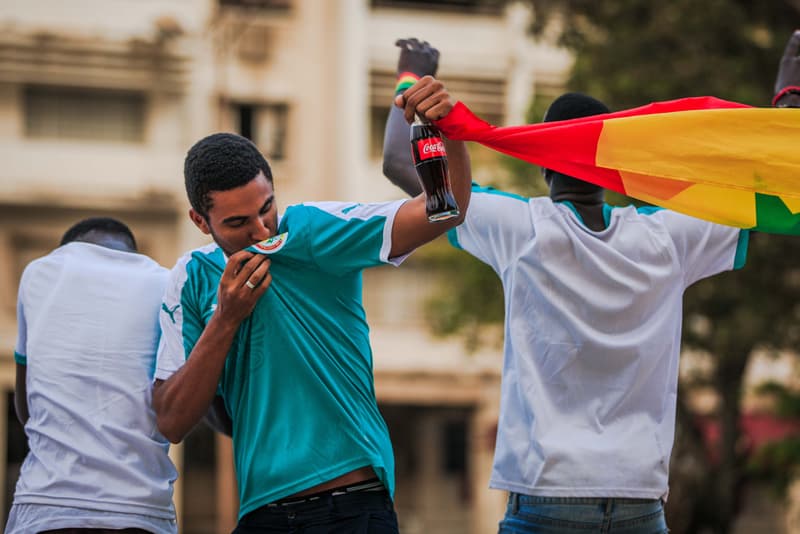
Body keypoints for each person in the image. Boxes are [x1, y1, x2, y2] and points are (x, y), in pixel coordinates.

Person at [382, 38, 775, 533]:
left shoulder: (520, 229)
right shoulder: (667, 238)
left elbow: (402, 164)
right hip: (639, 503)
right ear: (609, 168)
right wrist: (787, 100)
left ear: (544, 163)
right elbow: (772, 179)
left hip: (547, 500)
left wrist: (411, 77)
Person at [151, 76, 470, 533]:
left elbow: (449, 207)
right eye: (238, 222)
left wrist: (449, 126)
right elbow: (172, 421)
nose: (262, 230)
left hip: (355, 506)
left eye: (267, 207)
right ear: (201, 221)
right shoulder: (191, 277)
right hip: (261, 513)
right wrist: (226, 318)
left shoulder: (314, 232)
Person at [7, 217, 178, 534]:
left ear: (67, 252)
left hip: (46, 506)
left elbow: (25, 408)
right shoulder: (165, 282)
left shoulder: (38, 274)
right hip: (140, 512)